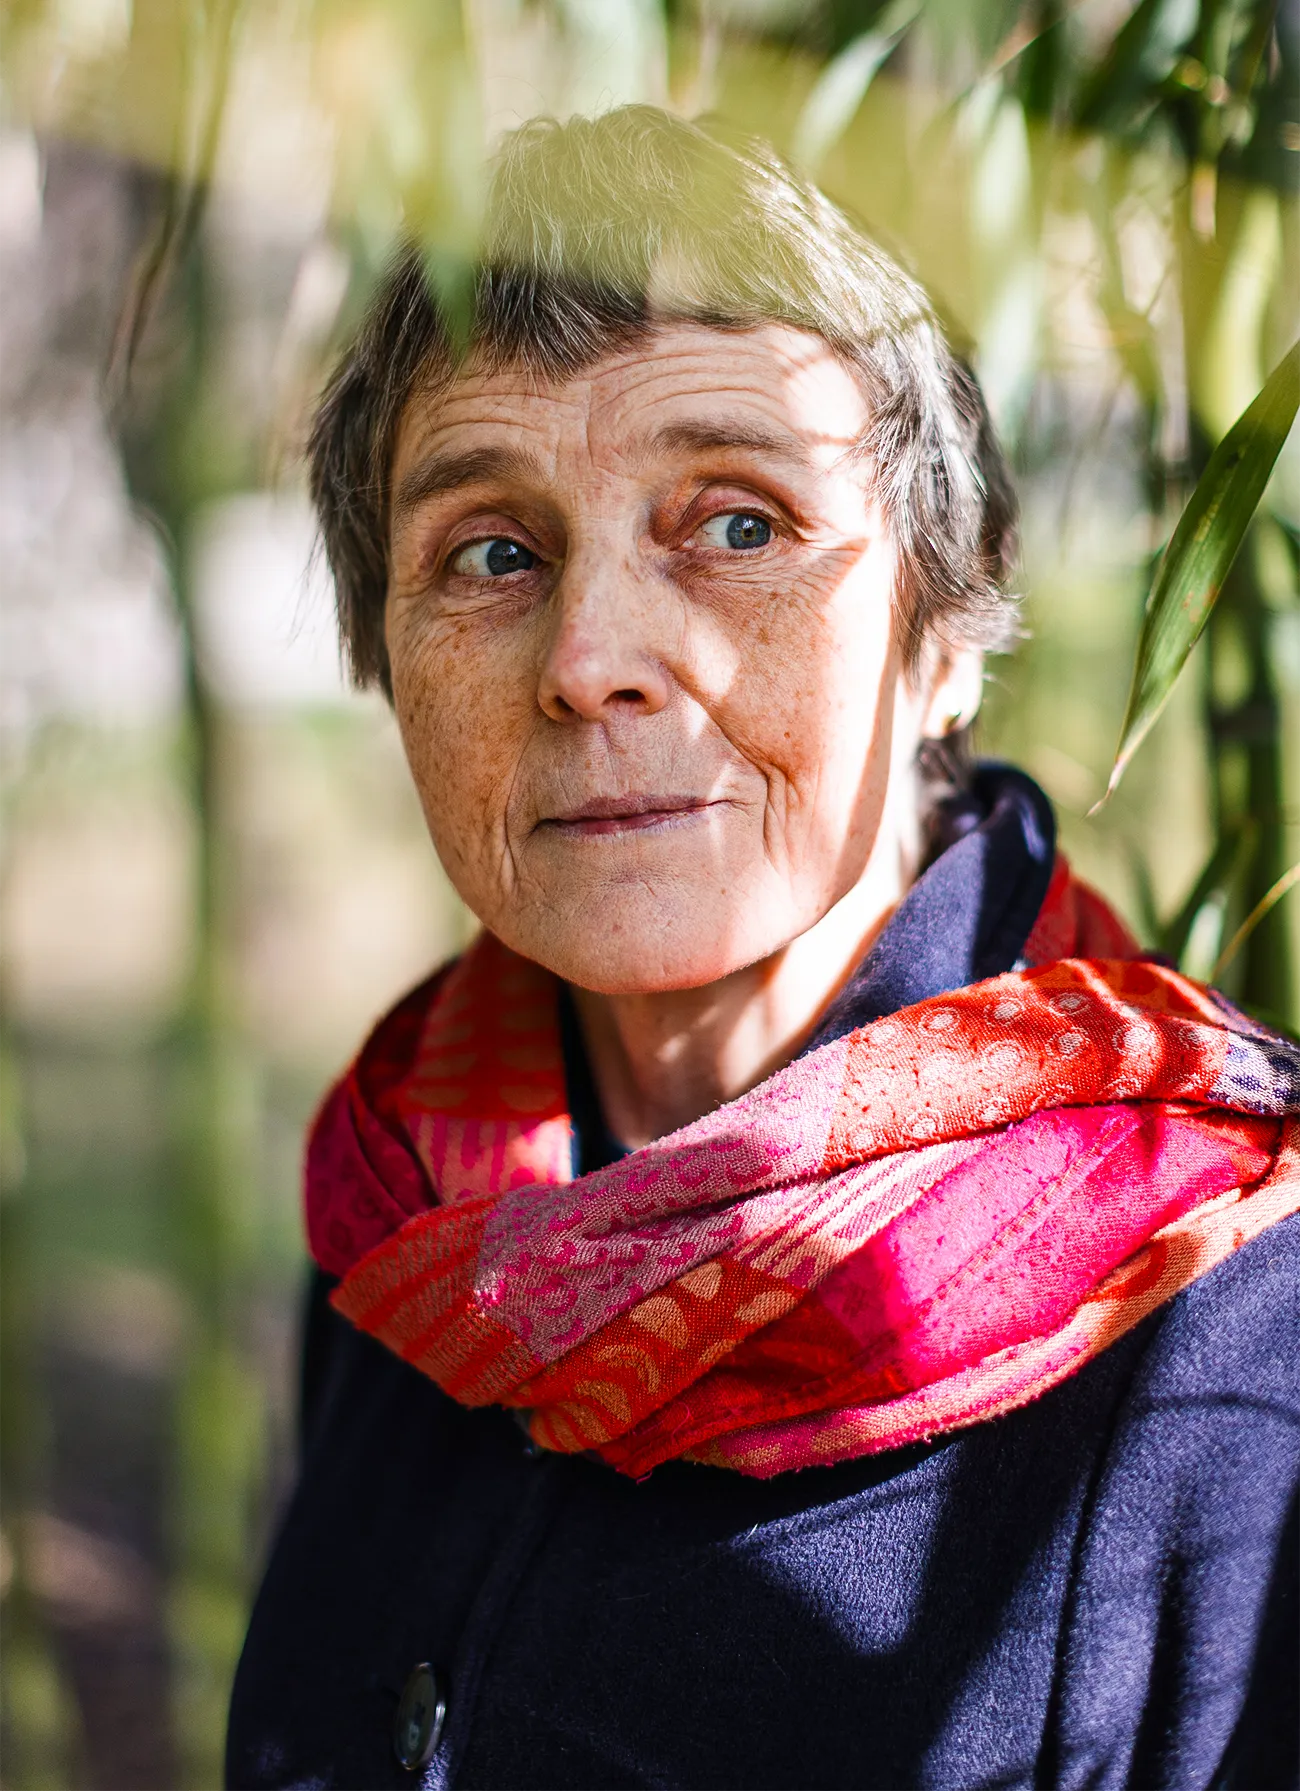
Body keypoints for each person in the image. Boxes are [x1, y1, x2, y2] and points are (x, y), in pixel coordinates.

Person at [227, 107, 1300, 1790]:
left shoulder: (1230, 1335)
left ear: (946, 627)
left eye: (738, 525)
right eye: (491, 553)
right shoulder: (402, 1225)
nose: (591, 659)